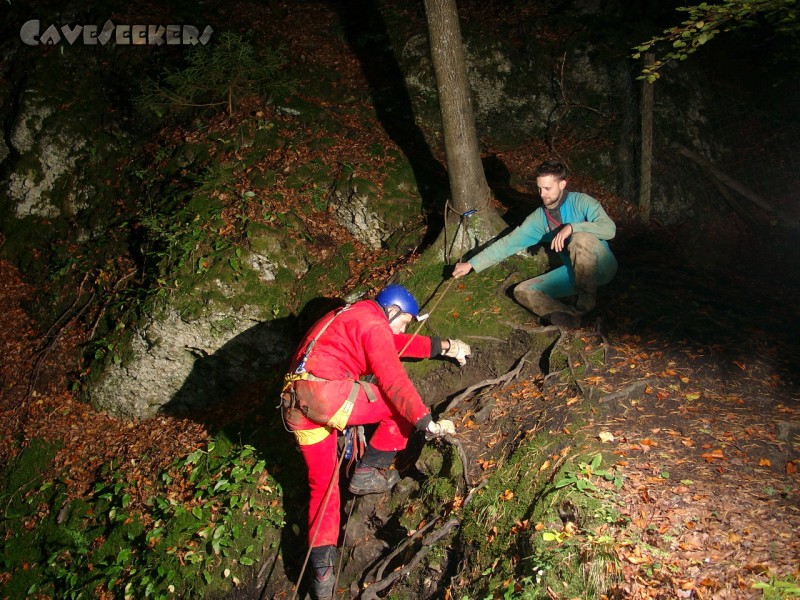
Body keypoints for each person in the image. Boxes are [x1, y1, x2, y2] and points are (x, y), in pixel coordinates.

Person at [281, 284, 471, 600]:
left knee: (324, 488)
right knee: (399, 409)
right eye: (405, 321)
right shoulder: (372, 322)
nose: (404, 328)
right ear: (392, 310)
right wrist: (425, 421)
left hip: (296, 405)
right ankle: (368, 471)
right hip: (327, 396)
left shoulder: (347, 316)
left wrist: (445, 346)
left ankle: (322, 575)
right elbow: (393, 379)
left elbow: (397, 344)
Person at [452, 160, 617, 327]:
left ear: (562, 184)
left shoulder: (581, 202)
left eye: (547, 188)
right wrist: (472, 264)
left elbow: (610, 230)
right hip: (573, 274)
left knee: (580, 238)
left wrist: (572, 228)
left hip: (603, 266)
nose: (542, 194)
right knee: (523, 291)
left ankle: (586, 307)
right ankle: (572, 317)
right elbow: (509, 243)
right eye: (539, 188)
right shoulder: (539, 218)